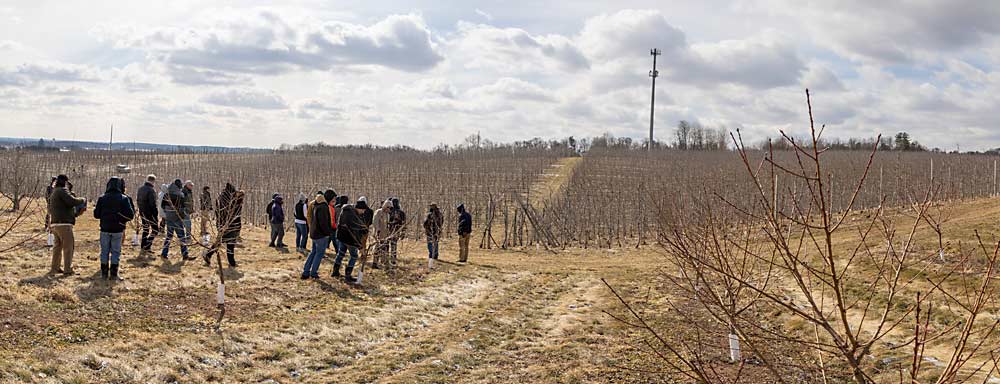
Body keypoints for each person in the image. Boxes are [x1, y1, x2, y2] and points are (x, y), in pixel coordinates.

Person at [93, 177, 135, 280]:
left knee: (104, 251)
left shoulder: (102, 198)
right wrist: (121, 220)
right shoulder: (123, 198)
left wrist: (105, 216)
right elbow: (130, 215)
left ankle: (103, 274)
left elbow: (96, 214)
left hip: (105, 229)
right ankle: (114, 275)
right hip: (118, 229)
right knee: (116, 252)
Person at [47, 174, 86, 276]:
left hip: (55, 223)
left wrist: (76, 214)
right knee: (68, 247)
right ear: (65, 182)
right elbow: (72, 201)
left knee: (57, 247)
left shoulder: (54, 192)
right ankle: (67, 269)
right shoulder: (62, 190)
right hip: (64, 224)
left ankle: (55, 268)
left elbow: (65, 207)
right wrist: (82, 199)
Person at [206, 183, 243, 268]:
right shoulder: (229, 199)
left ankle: (209, 254)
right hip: (229, 224)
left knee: (221, 241)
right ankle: (231, 262)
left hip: (223, 224)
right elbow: (233, 212)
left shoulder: (222, 198)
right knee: (229, 242)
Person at [301, 193, 333, 279]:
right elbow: (323, 223)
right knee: (319, 254)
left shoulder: (314, 205)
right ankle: (314, 272)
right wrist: (328, 232)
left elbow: (310, 218)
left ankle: (306, 271)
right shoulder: (323, 207)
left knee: (313, 252)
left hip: (314, 233)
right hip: (321, 235)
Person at [335, 199, 368, 283]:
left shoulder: (347, 211)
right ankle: (348, 275)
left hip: (342, 237)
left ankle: (335, 271)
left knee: (341, 253)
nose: (363, 212)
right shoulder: (352, 215)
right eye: (363, 210)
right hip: (349, 239)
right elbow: (353, 232)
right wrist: (360, 246)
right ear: (359, 208)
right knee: (354, 256)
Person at [161, 179, 191, 260]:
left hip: (169, 218)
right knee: (182, 237)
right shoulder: (180, 195)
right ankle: (185, 255)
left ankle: (164, 254)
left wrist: (168, 213)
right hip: (177, 219)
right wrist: (182, 217)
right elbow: (182, 209)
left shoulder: (166, 195)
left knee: (169, 237)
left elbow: (162, 206)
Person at [136, 175, 159, 254]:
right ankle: (147, 245)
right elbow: (153, 204)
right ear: (153, 181)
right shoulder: (151, 190)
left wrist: (140, 210)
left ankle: (143, 246)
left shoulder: (140, 189)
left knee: (146, 229)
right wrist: (155, 214)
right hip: (150, 213)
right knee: (155, 230)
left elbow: (138, 201)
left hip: (142, 212)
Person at [371, 199, 392, 269]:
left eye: (390, 208)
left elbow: (387, 225)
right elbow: (375, 222)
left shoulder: (388, 215)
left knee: (384, 248)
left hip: (384, 234)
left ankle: (383, 262)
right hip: (378, 234)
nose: (389, 209)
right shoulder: (378, 212)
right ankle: (374, 263)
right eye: (388, 207)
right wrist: (377, 230)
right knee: (376, 248)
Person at [387, 197, 406, 265]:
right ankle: (393, 260)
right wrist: (403, 233)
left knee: (386, 245)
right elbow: (404, 224)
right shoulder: (401, 212)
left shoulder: (389, 211)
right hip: (396, 231)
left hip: (388, 231)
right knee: (393, 246)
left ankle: (386, 260)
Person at [182, 180, 195, 245]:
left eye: (192, 185)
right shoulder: (184, 191)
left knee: (187, 225)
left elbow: (190, 201)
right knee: (188, 225)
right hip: (184, 210)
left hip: (188, 210)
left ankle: (186, 238)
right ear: (187, 185)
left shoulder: (189, 191)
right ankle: (187, 238)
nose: (192, 186)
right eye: (190, 185)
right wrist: (185, 208)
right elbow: (182, 201)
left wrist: (192, 209)